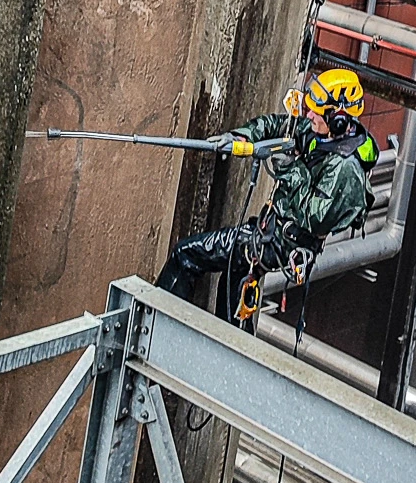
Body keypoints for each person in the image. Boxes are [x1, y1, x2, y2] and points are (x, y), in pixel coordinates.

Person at [156, 68, 378, 324]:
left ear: (338, 118)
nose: (309, 115)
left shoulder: (346, 168)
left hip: (283, 244)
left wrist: (290, 169)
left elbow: (314, 218)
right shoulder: (321, 134)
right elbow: (278, 125)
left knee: (187, 255)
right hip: (270, 230)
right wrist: (242, 137)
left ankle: (154, 323)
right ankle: (231, 346)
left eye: (316, 111)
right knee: (235, 286)